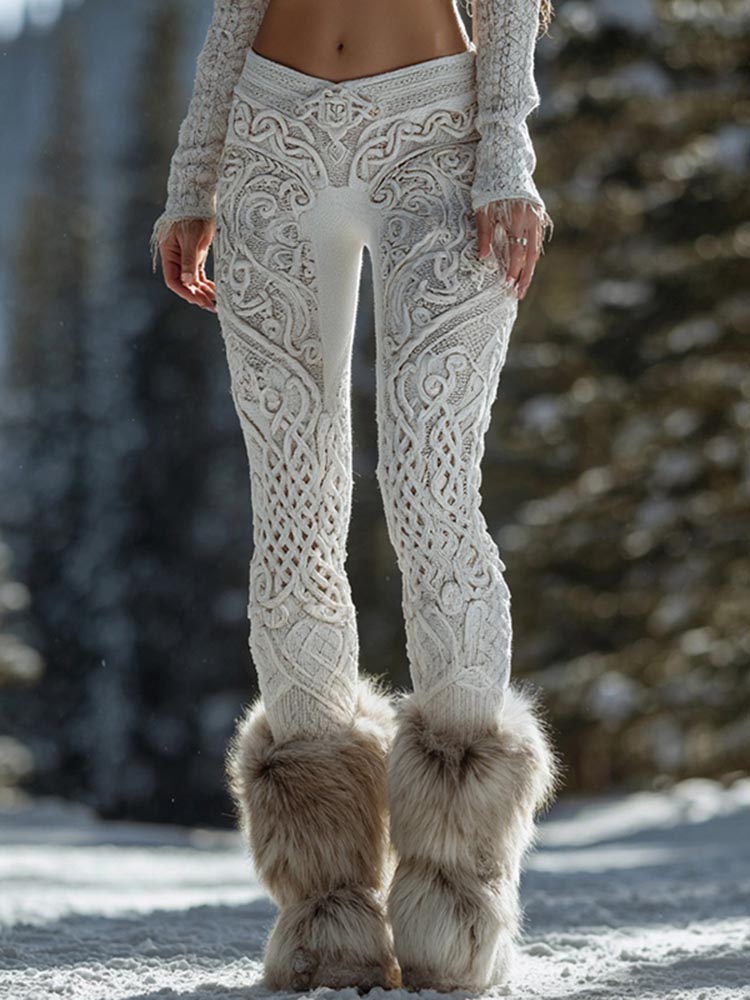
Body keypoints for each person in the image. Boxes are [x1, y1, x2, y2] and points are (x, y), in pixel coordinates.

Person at [150, 0, 559, 992]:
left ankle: (458, 892)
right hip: (269, 138)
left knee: (432, 493)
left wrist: (506, 160)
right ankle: (325, 906)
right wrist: (193, 179)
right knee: (293, 520)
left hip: (438, 139)